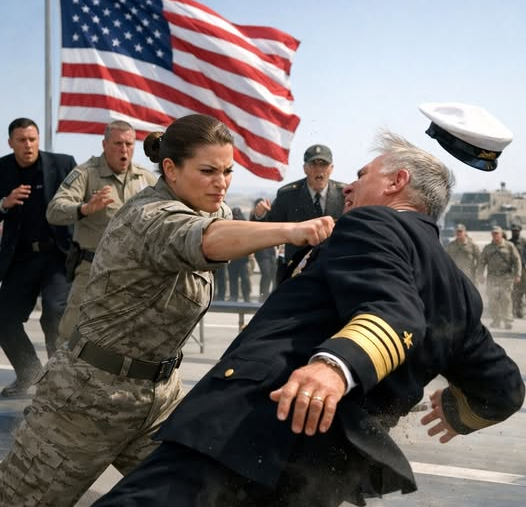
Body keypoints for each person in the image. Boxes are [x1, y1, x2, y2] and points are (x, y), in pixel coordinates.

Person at [93, 130, 525, 507]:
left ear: (397, 183)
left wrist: (334, 368)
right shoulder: (459, 288)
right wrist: (459, 411)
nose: (348, 188)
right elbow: (504, 389)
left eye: (361, 176)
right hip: (320, 473)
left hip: (251, 427)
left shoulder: (373, 223)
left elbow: (396, 314)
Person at [0, 114, 334, 507]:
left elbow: (217, 225)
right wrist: (291, 230)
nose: (221, 182)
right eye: (208, 171)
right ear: (171, 170)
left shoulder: (211, 210)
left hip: (158, 398)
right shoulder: (149, 215)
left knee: (201, 498)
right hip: (88, 399)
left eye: (227, 171)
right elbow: (203, 238)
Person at [46, 120, 157, 342]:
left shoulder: (146, 179)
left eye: (129, 144)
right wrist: (84, 209)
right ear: (104, 144)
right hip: (94, 269)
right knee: (72, 334)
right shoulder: (86, 173)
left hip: (135, 272)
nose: (124, 150)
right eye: (118, 143)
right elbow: (54, 211)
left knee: (132, 337)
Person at [0, 118, 76, 397]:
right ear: (11, 143)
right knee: (3, 317)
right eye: (21, 140)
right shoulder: (2, 169)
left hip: (57, 256)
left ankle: (57, 382)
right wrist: (4, 203)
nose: (28, 145)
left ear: (38, 139)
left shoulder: (63, 164)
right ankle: (29, 374)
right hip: (20, 258)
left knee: (55, 314)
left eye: (32, 139)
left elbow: (79, 201)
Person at [253, 144, 346, 284]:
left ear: (331, 168)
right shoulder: (288, 194)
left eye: (323, 165)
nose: (318, 170)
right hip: (297, 270)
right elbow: (271, 226)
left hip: (333, 269)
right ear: (305, 168)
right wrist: (260, 215)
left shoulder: (344, 194)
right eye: (313, 165)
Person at [478, 225, 521, 329]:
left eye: (497, 233)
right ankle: (496, 320)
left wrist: (518, 274)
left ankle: (507, 321)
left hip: (506, 277)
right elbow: (482, 262)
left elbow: (517, 261)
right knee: (493, 300)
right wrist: (480, 275)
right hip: (492, 277)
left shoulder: (509, 246)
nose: (495, 235)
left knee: (506, 299)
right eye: (493, 233)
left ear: (501, 234)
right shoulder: (488, 248)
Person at [250, 197, 277, 302]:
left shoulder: (268, 215)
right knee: (266, 273)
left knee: (274, 273)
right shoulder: (254, 216)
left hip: (271, 250)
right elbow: (256, 222)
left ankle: (271, 296)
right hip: (261, 251)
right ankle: (263, 295)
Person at [227, 207, 252, 302]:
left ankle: (246, 297)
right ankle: (234, 297)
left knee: (244, 279)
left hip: (242, 258)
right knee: (234, 278)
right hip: (233, 258)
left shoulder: (244, 226)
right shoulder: (229, 226)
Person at [509, 222, 526, 318]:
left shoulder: (524, 242)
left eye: (516, 231)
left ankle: (520, 311)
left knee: (521, 291)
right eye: (513, 231)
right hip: (511, 270)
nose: (514, 232)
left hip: (523, 270)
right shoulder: (509, 242)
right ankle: (512, 310)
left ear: (520, 231)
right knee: (512, 291)